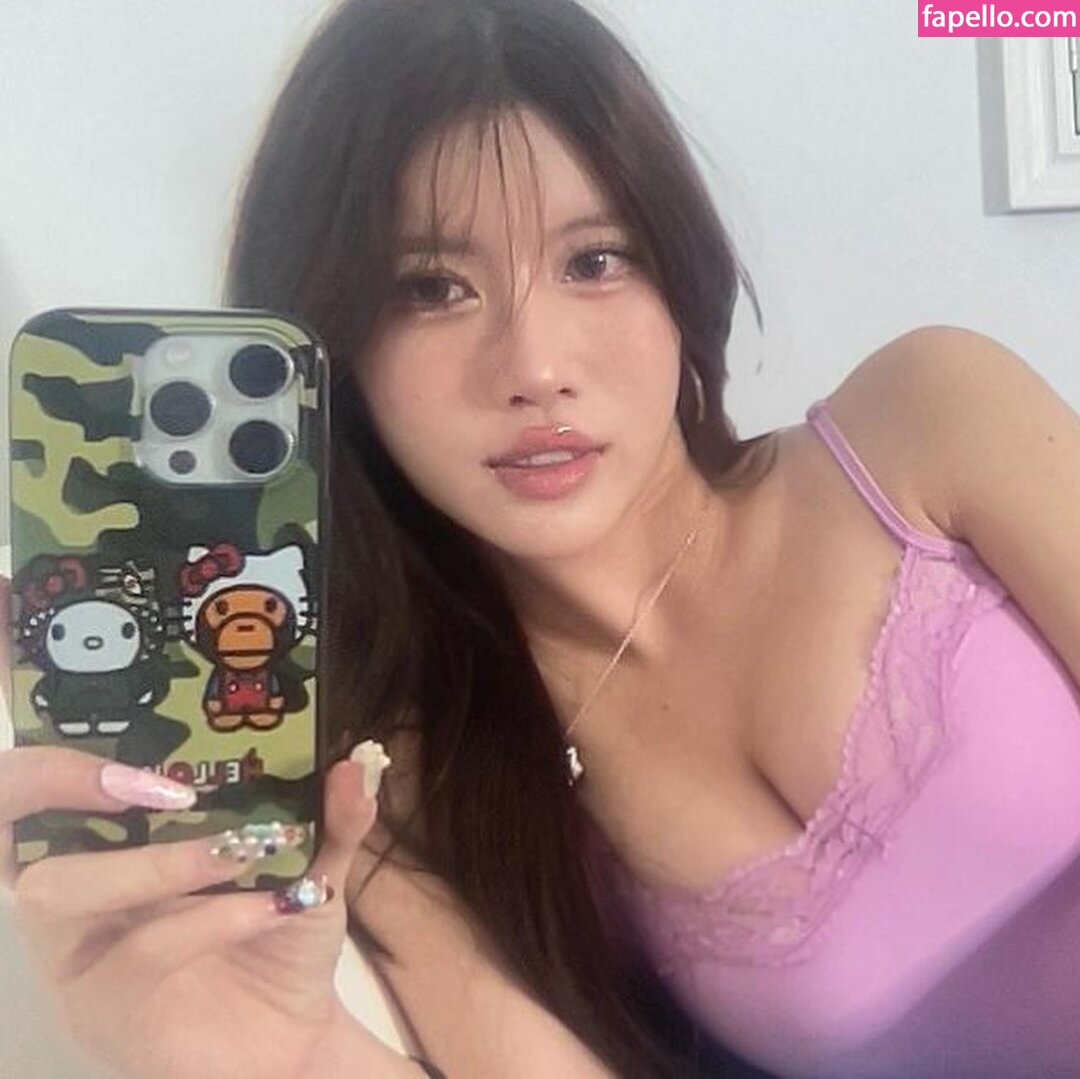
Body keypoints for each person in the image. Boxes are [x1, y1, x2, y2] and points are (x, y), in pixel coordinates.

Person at [4, 0, 1080, 1076]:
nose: (535, 366)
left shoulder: (925, 420)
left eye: (596, 259)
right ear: (335, 354)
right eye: (432, 288)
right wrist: (284, 1050)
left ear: (678, 271)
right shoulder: (411, 777)